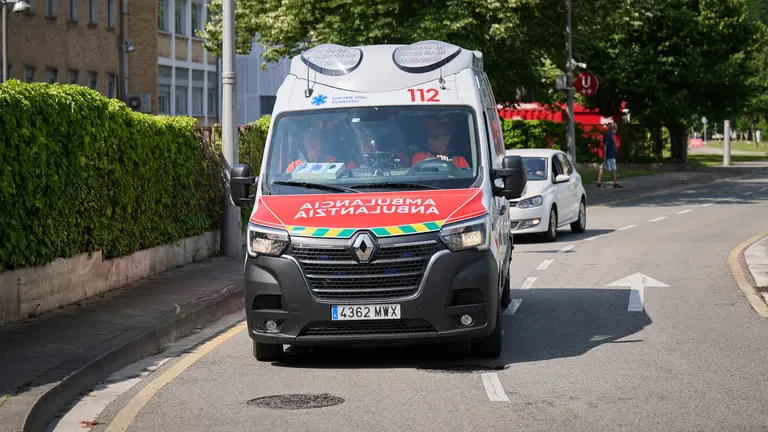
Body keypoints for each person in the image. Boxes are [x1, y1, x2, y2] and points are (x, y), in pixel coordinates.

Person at [597, 122, 621, 188]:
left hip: (610, 155)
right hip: (609, 156)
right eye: (615, 128)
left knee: (603, 168)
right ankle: (615, 183)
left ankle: (599, 182)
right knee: (613, 169)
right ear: (612, 128)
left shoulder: (611, 135)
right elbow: (605, 145)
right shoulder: (607, 135)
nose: (616, 129)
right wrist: (604, 155)